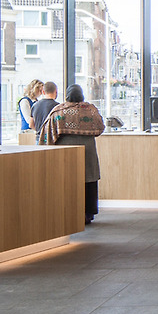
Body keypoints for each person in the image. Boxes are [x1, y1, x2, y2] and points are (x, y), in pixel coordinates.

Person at [38, 84, 105, 225]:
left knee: (68, 181)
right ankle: (88, 213)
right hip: (88, 152)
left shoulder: (59, 111)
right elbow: (100, 127)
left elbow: (47, 134)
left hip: (65, 153)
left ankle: (68, 211)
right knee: (88, 180)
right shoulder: (91, 110)